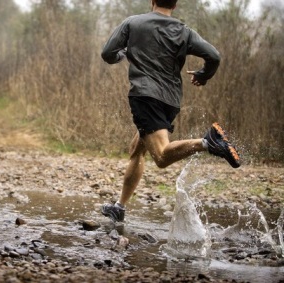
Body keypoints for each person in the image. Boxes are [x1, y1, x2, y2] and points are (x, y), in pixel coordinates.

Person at [100, 0, 241, 222]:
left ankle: (207, 142)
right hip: (171, 101)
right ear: (175, 6)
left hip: (145, 97)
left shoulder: (133, 23)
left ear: (152, 1)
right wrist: (204, 75)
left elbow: (108, 53)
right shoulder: (184, 32)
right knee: (137, 149)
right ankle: (120, 207)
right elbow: (214, 56)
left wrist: (123, 54)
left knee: (162, 156)